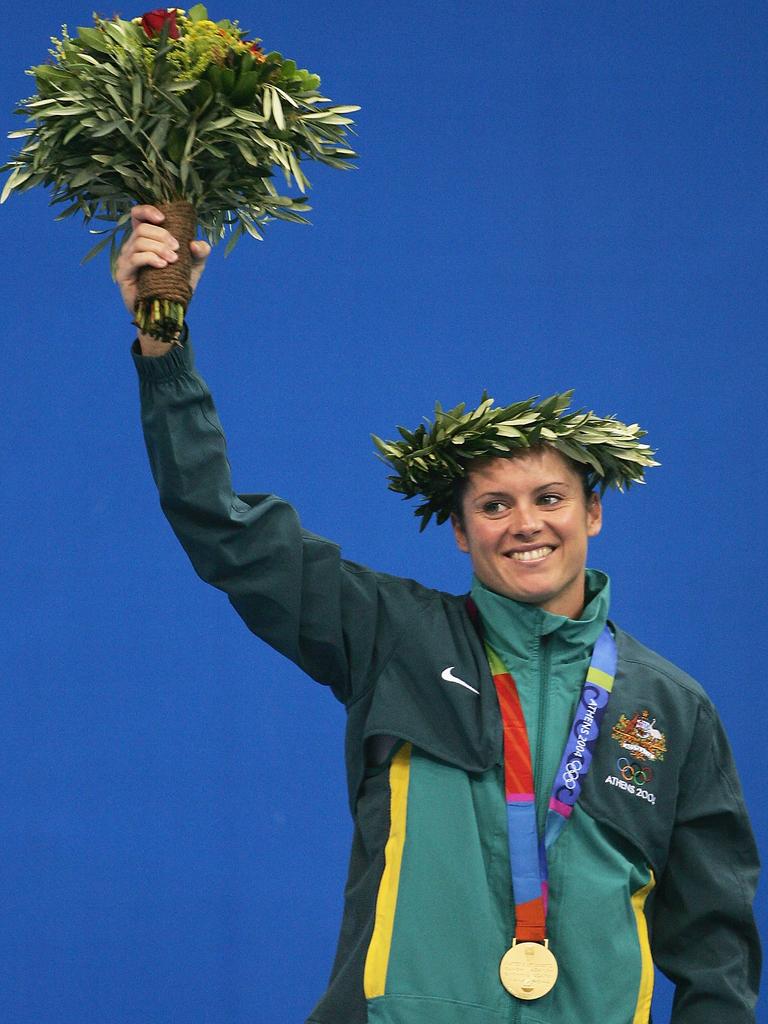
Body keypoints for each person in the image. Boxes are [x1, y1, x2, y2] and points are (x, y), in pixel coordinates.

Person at [118, 205, 761, 1024]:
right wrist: (162, 347)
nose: (525, 523)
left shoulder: (671, 708)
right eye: (493, 505)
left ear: (592, 512)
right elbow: (224, 530)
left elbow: (717, 956)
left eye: (550, 498)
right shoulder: (393, 636)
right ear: (459, 533)